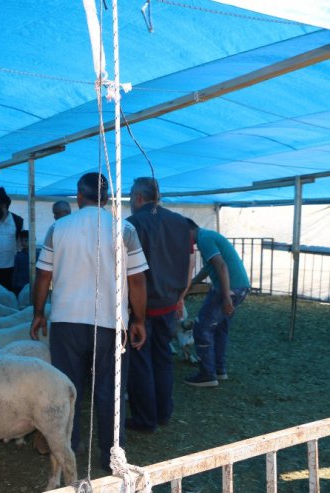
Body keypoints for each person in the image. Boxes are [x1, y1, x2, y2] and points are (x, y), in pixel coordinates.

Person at [30, 172, 148, 470]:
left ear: (78, 197)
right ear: (107, 199)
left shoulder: (58, 229)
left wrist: (38, 313)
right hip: (111, 323)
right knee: (110, 391)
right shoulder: (125, 229)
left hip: (67, 322)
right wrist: (139, 320)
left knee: (68, 389)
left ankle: (69, 446)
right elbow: (137, 281)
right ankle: (110, 456)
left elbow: (43, 275)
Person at [125, 177, 192, 432]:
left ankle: (145, 418)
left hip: (143, 305)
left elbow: (130, 272)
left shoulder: (133, 224)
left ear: (139, 198)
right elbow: (188, 262)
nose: (130, 201)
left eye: (130, 196)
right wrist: (179, 296)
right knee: (163, 357)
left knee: (140, 361)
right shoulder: (179, 222)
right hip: (169, 302)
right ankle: (163, 412)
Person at [184, 218, 250, 387]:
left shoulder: (204, 239)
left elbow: (221, 267)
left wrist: (226, 296)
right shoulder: (208, 236)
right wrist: (191, 284)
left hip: (228, 289)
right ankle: (219, 370)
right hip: (241, 286)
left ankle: (207, 374)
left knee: (202, 327)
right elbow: (209, 268)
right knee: (220, 328)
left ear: (188, 230)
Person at [11, 230, 30, 296]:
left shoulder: (39, 255)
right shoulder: (18, 256)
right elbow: (15, 273)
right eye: (22, 241)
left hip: (33, 285)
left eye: (26, 240)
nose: (23, 243)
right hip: (20, 286)